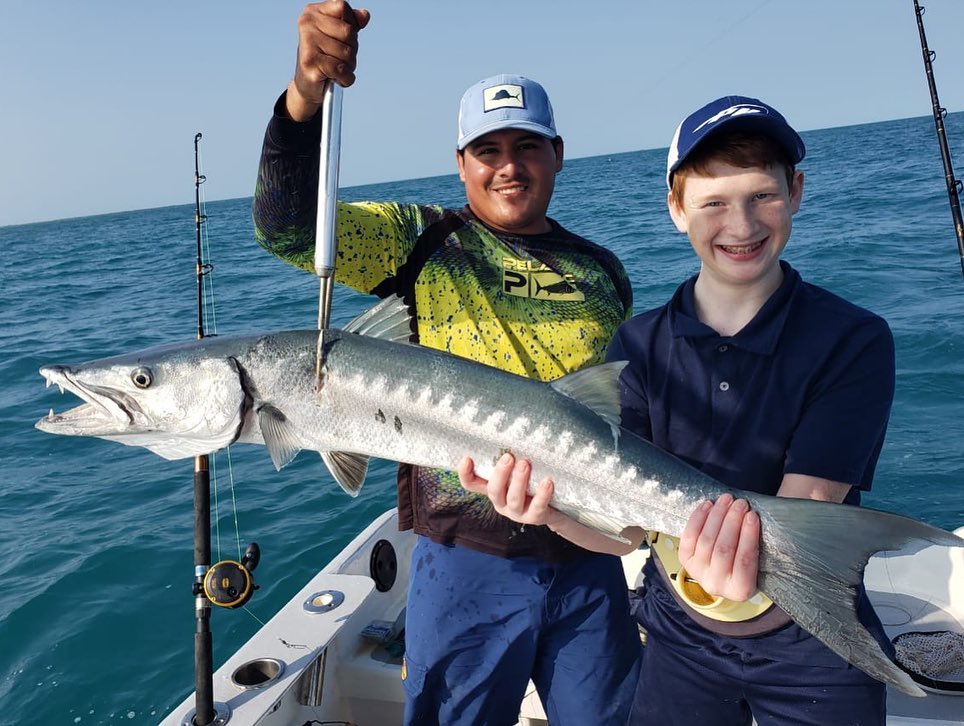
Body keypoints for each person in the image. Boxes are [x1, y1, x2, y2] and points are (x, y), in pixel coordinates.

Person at [250, 3, 640, 724]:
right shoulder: (417, 241)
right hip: (467, 560)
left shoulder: (603, 274)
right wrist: (305, 91)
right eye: (488, 150)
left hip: (589, 561)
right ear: (461, 163)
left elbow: (619, 410)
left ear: (558, 153)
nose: (508, 166)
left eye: (527, 145)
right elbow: (287, 225)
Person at [461, 95, 896, 725]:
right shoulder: (635, 348)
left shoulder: (851, 338)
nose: (741, 225)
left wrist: (745, 565)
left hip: (814, 646)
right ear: (675, 208)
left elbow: (809, 513)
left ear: (796, 191)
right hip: (680, 642)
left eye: (762, 197)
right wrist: (548, 511)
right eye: (713, 202)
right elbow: (626, 534)